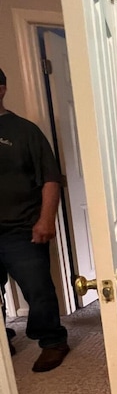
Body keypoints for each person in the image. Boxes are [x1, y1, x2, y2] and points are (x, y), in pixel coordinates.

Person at [0, 67, 70, 372]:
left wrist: (46, 220)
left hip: (22, 229)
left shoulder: (25, 132)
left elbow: (50, 179)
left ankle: (53, 340)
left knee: (37, 289)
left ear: (1, 88)